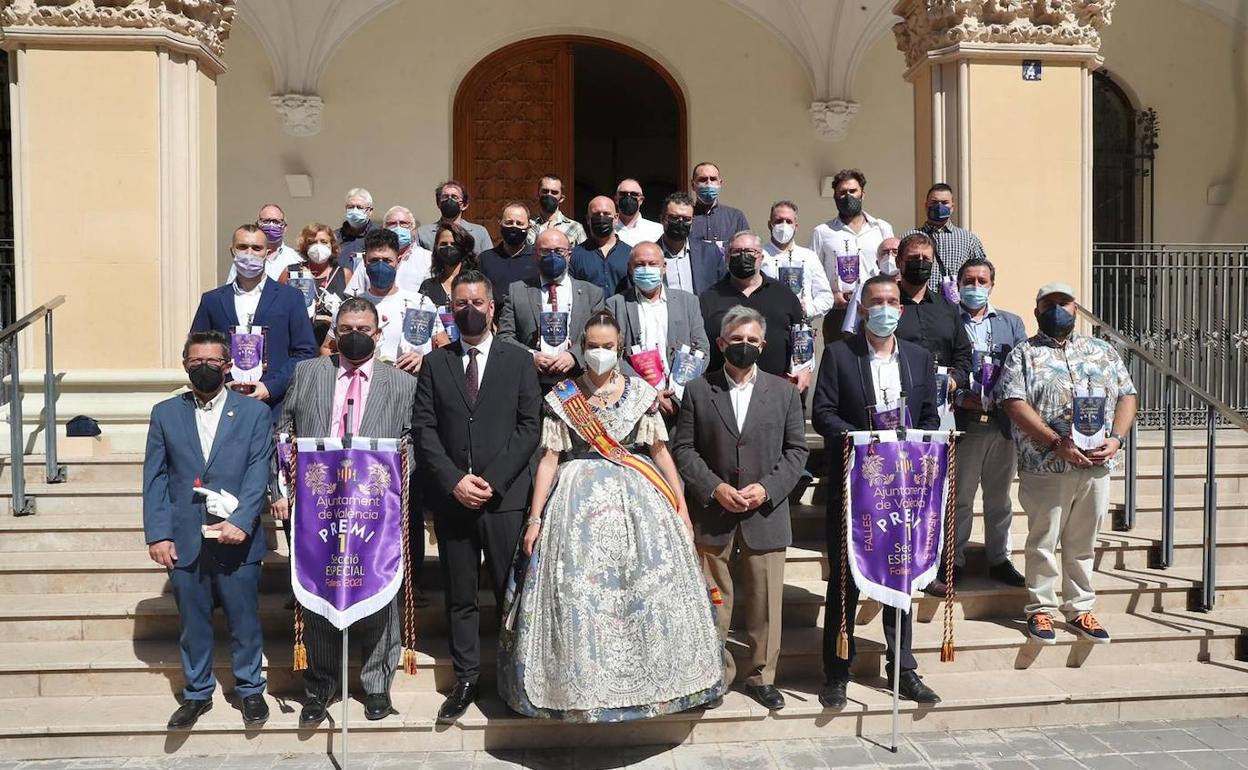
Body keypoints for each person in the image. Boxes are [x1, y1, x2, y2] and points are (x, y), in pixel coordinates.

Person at [499, 309, 724, 720]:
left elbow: (659, 452)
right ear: (580, 349)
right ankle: (578, 687)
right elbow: (549, 459)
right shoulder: (564, 397)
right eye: (592, 346)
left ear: (619, 349)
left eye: (607, 346)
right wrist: (535, 519)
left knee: (647, 591)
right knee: (579, 595)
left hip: (640, 497)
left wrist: (681, 507)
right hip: (575, 502)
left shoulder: (640, 393)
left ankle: (664, 682)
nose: (599, 353)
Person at [275, 297, 420, 726]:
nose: (354, 334)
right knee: (319, 591)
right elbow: (285, 429)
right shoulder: (308, 373)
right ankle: (320, 686)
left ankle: (377, 685)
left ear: (378, 333)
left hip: (377, 505)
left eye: (363, 328)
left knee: (378, 587)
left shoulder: (401, 383)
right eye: (346, 327)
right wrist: (284, 481)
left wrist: (400, 468)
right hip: (318, 504)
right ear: (334, 331)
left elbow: (413, 436)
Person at [413, 270, 542, 723]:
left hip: (503, 499)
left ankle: (515, 676)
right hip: (454, 501)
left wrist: (491, 480)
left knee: (510, 595)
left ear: (492, 307)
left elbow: (530, 427)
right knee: (461, 595)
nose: (469, 309)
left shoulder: (518, 360)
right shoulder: (436, 363)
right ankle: (467, 677)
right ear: (451, 309)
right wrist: (454, 481)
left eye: (477, 302)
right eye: (460, 303)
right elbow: (424, 429)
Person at [810, 275, 942, 709]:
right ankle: (837, 671)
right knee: (846, 582)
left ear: (900, 310)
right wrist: (861, 439)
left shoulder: (919, 359)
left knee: (900, 582)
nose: (884, 308)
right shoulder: (839, 355)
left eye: (891, 301)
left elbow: (927, 418)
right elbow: (823, 413)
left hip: (903, 492)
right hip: (855, 487)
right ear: (863, 310)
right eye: (876, 302)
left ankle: (902, 669)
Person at [672, 307, 809, 712]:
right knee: (714, 603)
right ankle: (714, 675)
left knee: (766, 605)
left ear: (763, 346)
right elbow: (684, 449)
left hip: (764, 517)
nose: (744, 347)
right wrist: (713, 488)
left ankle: (761, 676)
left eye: (752, 341)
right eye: (736, 340)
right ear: (720, 344)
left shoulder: (784, 393)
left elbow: (797, 451)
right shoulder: (698, 390)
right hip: (714, 516)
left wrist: (766, 490)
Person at [143, 331, 274, 730]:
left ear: (227, 364)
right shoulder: (165, 413)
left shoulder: (254, 413)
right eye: (196, 361)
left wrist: (241, 521)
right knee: (193, 620)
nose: (205, 367)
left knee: (244, 617)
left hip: (236, 535)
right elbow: (155, 478)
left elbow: (258, 472)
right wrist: (158, 534)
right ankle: (197, 692)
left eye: (213, 361)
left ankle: (250, 689)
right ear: (185, 365)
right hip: (184, 535)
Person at [998, 282, 1137, 645]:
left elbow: (1127, 395)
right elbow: (1014, 403)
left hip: (1095, 464)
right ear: (1036, 310)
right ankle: (1041, 609)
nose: (1057, 309)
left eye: (1064, 302)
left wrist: (1117, 438)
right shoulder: (1023, 354)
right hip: (1046, 465)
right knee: (1044, 539)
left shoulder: (1102, 351)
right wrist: (1056, 443)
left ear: (1077, 309)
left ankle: (1080, 609)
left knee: (1083, 540)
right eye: (1049, 303)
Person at [950, 258, 1028, 586]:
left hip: (1002, 425)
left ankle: (999, 559)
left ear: (992, 284)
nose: (976, 287)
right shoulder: (949, 320)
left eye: (982, 281)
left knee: (999, 498)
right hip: (964, 421)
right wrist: (957, 397)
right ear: (958, 284)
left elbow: (1025, 366)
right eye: (969, 280)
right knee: (961, 497)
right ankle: (954, 559)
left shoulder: (1011, 323)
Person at [190, 224, 318, 417]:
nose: (249, 253)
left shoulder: (290, 298)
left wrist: (271, 387)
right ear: (232, 251)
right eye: (242, 247)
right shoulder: (212, 300)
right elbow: (197, 348)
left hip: (275, 406)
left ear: (267, 252)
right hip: (223, 404)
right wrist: (223, 383)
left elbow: (306, 351)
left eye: (256, 248)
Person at [604, 242, 709, 417]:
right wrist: (649, 395)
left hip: (681, 402)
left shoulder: (688, 302)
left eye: (652, 264)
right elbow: (613, 356)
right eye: (639, 264)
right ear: (630, 269)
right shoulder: (615, 305)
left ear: (664, 267)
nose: (646, 269)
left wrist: (676, 394)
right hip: (636, 402)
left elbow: (701, 349)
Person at [497, 229, 606, 390]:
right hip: (532, 383)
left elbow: (600, 337)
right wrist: (531, 357)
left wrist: (574, 356)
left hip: (578, 381)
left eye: (559, 251)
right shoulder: (517, 290)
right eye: (545, 251)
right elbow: (504, 337)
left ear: (569, 254)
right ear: (535, 254)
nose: (553, 256)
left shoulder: (592, 293)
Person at [698, 231, 807, 391]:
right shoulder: (708, 298)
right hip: (721, 391)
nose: (743, 257)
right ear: (727, 257)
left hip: (775, 391)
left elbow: (802, 336)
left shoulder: (785, 296)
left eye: (750, 252)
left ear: (761, 257)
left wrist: (805, 369)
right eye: (737, 252)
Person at [895, 232, 973, 424]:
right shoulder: (888, 304)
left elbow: (963, 354)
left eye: (926, 259)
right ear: (899, 262)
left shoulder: (948, 307)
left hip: (943, 406)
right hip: (898, 402)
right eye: (913, 258)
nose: (920, 263)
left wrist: (954, 381)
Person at [810, 169, 894, 341]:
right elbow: (813, 273)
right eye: (842, 192)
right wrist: (830, 296)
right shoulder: (822, 232)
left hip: (874, 308)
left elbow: (892, 265)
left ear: (862, 194)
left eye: (852, 191)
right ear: (834, 196)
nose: (847, 196)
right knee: (839, 362)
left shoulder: (881, 228)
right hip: (839, 311)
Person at [350, 228, 432, 374]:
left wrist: (424, 359)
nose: (381, 266)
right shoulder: (350, 307)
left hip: (409, 384)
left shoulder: (421, 303)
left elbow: (443, 346)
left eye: (387, 261)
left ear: (398, 261)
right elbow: (328, 348)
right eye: (374, 261)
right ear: (364, 262)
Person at [761, 200, 835, 322]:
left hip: (801, 330)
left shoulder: (809, 256)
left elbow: (825, 296)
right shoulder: (760, 255)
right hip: (769, 326)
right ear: (770, 224)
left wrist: (808, 309)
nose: (784, 225)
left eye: (788, 221)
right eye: (778, 221)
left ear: (796, 225)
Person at [910, 182, 988, 295]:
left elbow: (983, 272)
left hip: (955, 306)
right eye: (934, 202)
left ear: (952, 207)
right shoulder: (910, 237)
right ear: (926, 205)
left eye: (944, 203)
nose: (939, 206)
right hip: (921, 305)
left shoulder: (969, 239)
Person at [343, 205, 433, 296]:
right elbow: (354, 293)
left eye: (403, 223)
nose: (398, 227)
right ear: (384, 228)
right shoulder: (372, 259)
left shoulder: (428, 258)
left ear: (413, 229)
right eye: (392, 224)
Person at [658, 192, 726, 295]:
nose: (680, 223)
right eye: (674, 218)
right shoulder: (648, 256)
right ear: (662, 219)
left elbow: (724, 289)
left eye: (686, 219)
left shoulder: (710, 253)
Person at [569, 195, 632, 296]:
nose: (602, 218)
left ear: (616, 218)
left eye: (606, 214)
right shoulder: (575, 255)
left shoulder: (630, 254)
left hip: (621, 311)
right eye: (596, 214)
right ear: (588, 219)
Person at [479, 201, 538, 306]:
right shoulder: (485, 259)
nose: (514, 227)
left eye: (519, 223)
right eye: (509, 223)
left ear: (528, 227)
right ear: (500, 223)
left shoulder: (538, 259)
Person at [226, 203, 302, 283]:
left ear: (285, 228)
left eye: (276, 222)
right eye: (266, 221)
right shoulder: (245, 258)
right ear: (257, 225)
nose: (271, 225)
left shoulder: (296, 259)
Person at [416, 180, 493, 257]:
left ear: (464, 205)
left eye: (454, 197)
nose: (449, 200)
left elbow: (488, 261)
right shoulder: (423, 233)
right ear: (438, 203)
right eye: (445, 197)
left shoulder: (480, 232)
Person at [690, 162, 749, 253]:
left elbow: (746, 250)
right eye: (702, 179)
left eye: (713, 179)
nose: (708, 183)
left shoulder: (736, 217)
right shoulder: (686, 217)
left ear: (720, 183)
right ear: (693, 185)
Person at [420, 221, 479, 309]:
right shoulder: (428, 286)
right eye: (444, 244)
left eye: (454, 244)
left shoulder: (477, 283)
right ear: (437, 248)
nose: (449, 248)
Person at [294, 222, 351, 300]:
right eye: (312, 242)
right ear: (305, 246)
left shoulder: (344, 274)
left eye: (324, 242)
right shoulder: (291, 272)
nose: (318, 246)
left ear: (332, 245)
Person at [527, 173, 586, 247]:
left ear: (561, 198)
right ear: (537, 194)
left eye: (554, 192)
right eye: (545, 191)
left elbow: (583, 256)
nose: (549, 195)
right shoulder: (528, 225)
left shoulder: (575, 228)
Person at [334, 187, 377, 269]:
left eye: (360, 207)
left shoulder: (380, 236)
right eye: (350, 207)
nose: (354, 211)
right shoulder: (334, 237)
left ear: (370, 211)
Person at [614, 178, 663, 245]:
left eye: (634, 194)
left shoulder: (657, 230)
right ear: (616, 199)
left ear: (641, 200)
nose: (628, 197)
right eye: (623, 194)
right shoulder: (609, 230)